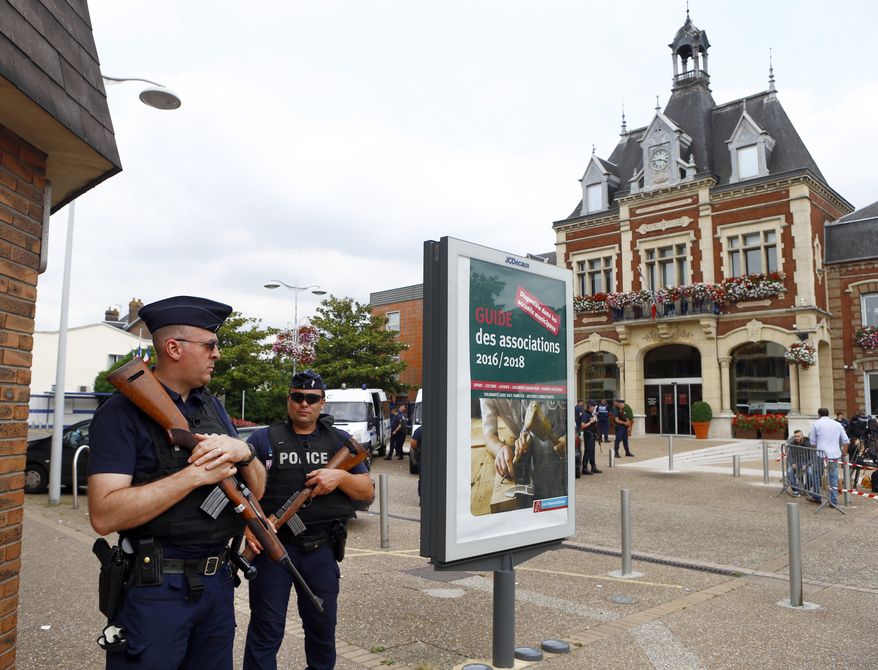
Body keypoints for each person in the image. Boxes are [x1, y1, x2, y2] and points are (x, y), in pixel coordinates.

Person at [88, 296, 265, 669]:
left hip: (217, 584)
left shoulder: (211, 407)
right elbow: (103, 515)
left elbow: (257, 490)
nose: (217, 353)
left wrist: (242, 452)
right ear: (173, 348)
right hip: (156, 589)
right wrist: (192, 476)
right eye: (210, 345)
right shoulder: (121, 413)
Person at [243, 370, 374, 670]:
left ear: (322, 403)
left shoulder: (340, 442)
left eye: (312, 399)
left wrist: (339, 476)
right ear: (288, 399)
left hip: (321, 551)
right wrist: (249, 527)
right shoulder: (263, 439)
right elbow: (240, 492)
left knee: (322, 631)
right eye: (298, 397)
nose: (304, 404)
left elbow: (367, 491)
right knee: (266, 630)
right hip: (272, 550)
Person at [482, 398, 567, 501]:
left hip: (565, 474)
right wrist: (523, 437)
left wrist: (571, 439)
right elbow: (526, 426)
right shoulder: (528, 397)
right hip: (540, 473)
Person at [808, 407, 850, 506]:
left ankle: (817, 496)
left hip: (821, 453)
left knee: (816, 475)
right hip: (834, 454)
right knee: (833, 477)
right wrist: (844, 452)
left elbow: (812, 442)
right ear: (828, 414)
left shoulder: (816, 424)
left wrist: (815, 448)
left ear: (819, 414)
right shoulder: (837, 424)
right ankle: (833, 500)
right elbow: (846, 440)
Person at [783, 429, 811, 497]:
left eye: (798, 436)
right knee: (789, 471)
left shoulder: (808, 443)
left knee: (810, 472)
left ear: (802, 436)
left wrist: (806, 465)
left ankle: (807, 488)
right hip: (796, 461)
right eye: (795, 436)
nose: (796, 438)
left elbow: (812, 455)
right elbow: (790, 454)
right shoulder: (792, 443)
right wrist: (793, 463)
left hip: (806, 462)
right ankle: (796, 489)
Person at [581, 400, 602, 475]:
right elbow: (582, 426)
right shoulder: (585, 414)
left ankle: (593, 467)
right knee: (588, 451)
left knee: (592, 451)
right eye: (593, 406)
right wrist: (591, 422)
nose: (594, 408)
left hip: (592, 434)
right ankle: (584, 468)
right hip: (588, 435)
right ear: (589, 406)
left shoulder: (591, 414)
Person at [410, 423, 423, 498]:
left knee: (422, 478)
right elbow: (413, 443)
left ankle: (422, 498)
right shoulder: (419, 430)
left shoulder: (419, 430)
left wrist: (418, 451)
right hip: (422, 457)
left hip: (422, 457)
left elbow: (413, 444)